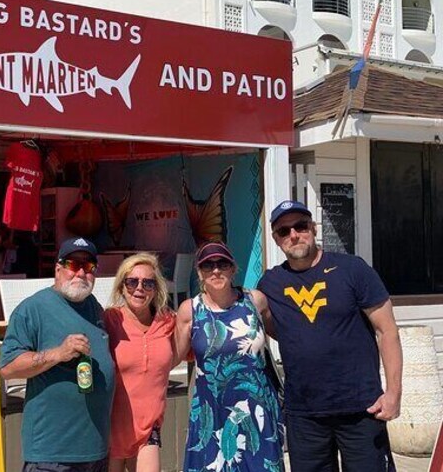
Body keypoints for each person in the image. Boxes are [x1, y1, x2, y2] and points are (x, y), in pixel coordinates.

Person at [258, 200, 402, 472]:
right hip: (304, 414)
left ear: (313, 228)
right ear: (277, 240)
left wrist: (393, 393)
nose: (293, 235)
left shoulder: (353, 269)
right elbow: (277, 329)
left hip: (361, 408)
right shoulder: (271, 284)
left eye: (300, 226)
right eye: (283, 231)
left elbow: (387, 331)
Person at [0, 237, 115, 472]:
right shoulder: (33, 309)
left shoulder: (94, 307)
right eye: (74, 264)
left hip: (96, 451)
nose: (81, 273)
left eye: (89, 266)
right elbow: (8, 367)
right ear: (58, 268)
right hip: (53, 455)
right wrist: (57, 354)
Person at [176, 241, 284, 471]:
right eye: (208, 266)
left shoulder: (255, 301)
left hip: (257, 410)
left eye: (222, 264)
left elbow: (285, 336)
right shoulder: (190, 310)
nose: (216, 270)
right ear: (199, 273)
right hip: (211, 411)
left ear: (233, 269)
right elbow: (173, 356)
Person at [104, 253, 177, 472]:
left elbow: (199, 347)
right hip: (111, 427)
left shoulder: (168, 321)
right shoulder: (109, 319)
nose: (139, 288)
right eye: (132, 281)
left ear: (156, 289)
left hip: (149, 428)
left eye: (148, 283)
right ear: (121, 286)